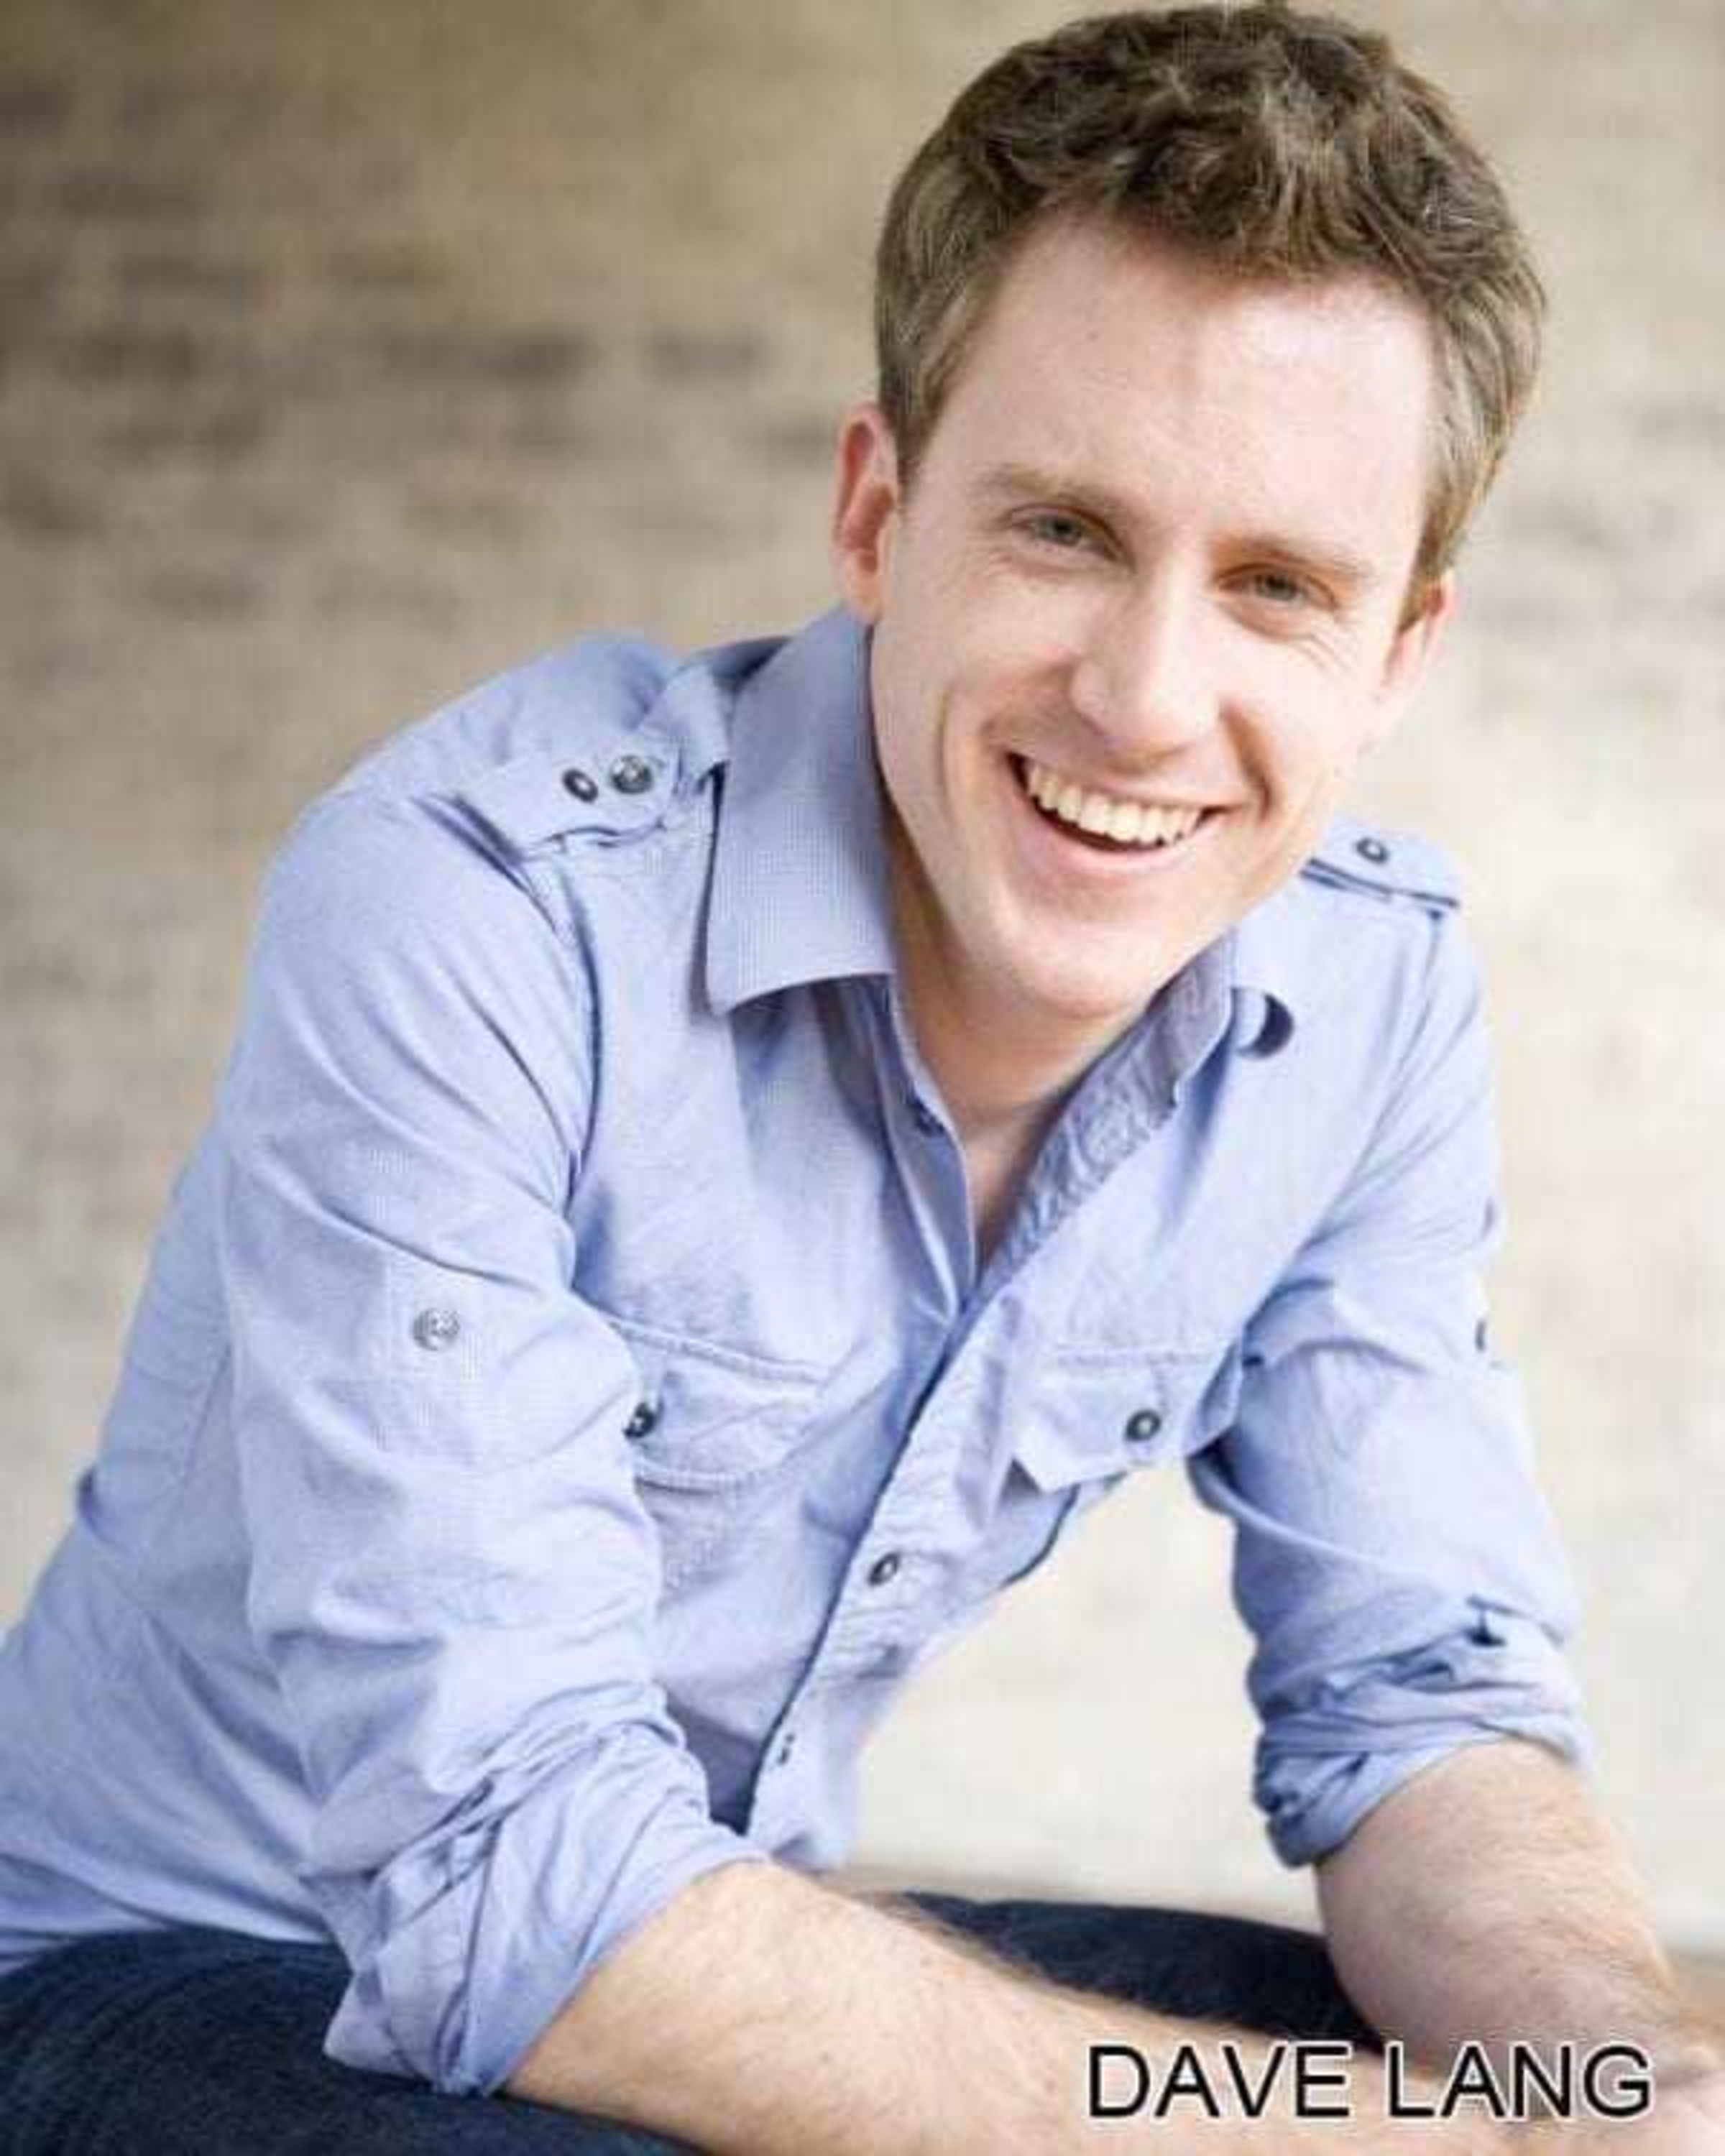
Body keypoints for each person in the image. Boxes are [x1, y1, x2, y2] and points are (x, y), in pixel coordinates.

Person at [0, 5, 1719, 2150]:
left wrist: (1613, 2093)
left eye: (1279, 585)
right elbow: (513, 1884)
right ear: (878, 514)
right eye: (1067, 531)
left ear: (1401, 653)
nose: (1145, 700)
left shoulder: (1366, 1009)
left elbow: (1422, 1697)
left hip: (697, 1935)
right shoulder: (481, 910)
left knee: (1493, 2063)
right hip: (174, 1971)